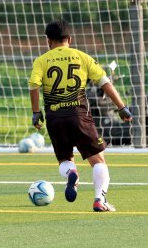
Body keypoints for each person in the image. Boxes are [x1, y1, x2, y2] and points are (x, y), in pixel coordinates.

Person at [28, 19, 132, 212]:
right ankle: (99, 200)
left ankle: (71, 172)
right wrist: (121, 107)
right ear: (69, 38)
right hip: (79, 115)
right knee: (97, 161)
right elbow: (105, 83)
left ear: (48, 41)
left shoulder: (41, 61)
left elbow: (33, 86)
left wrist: (36, 113)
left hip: (55, 118)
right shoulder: (82, 57)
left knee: (65, 160)